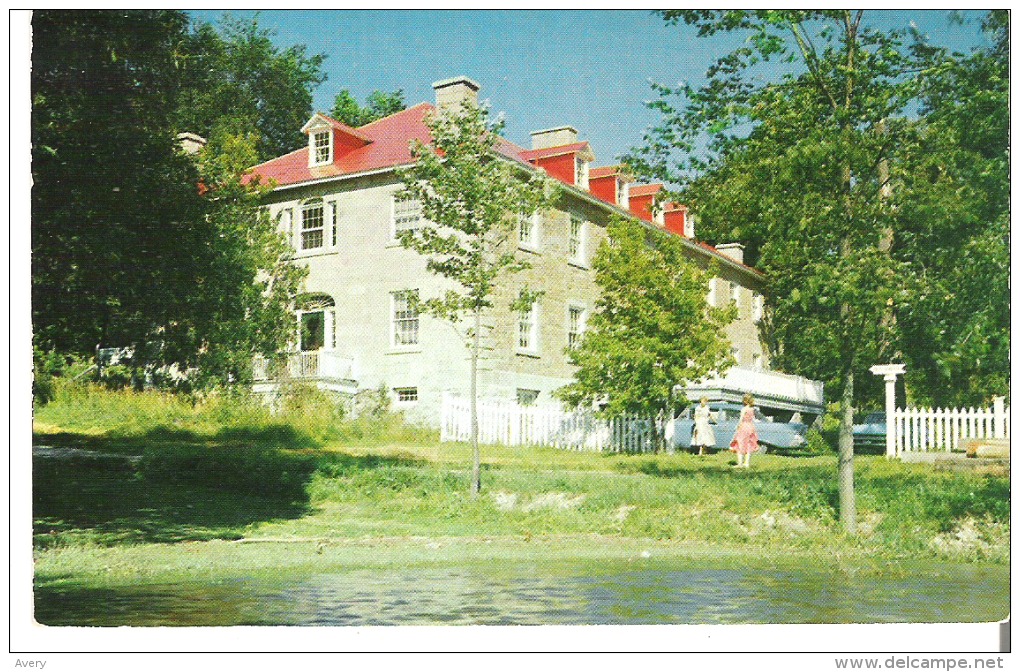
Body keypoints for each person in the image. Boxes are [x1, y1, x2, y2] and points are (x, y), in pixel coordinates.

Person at [729, 394, 760, 468]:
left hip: (744, 426)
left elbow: (741, 419)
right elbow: (753, 419)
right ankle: (746, 463)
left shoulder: (744, 409)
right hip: (750, 426)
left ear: (745, 401)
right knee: (748, 444)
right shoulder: (752, 409)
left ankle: (740, 463)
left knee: (740, 443)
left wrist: (738, 426)